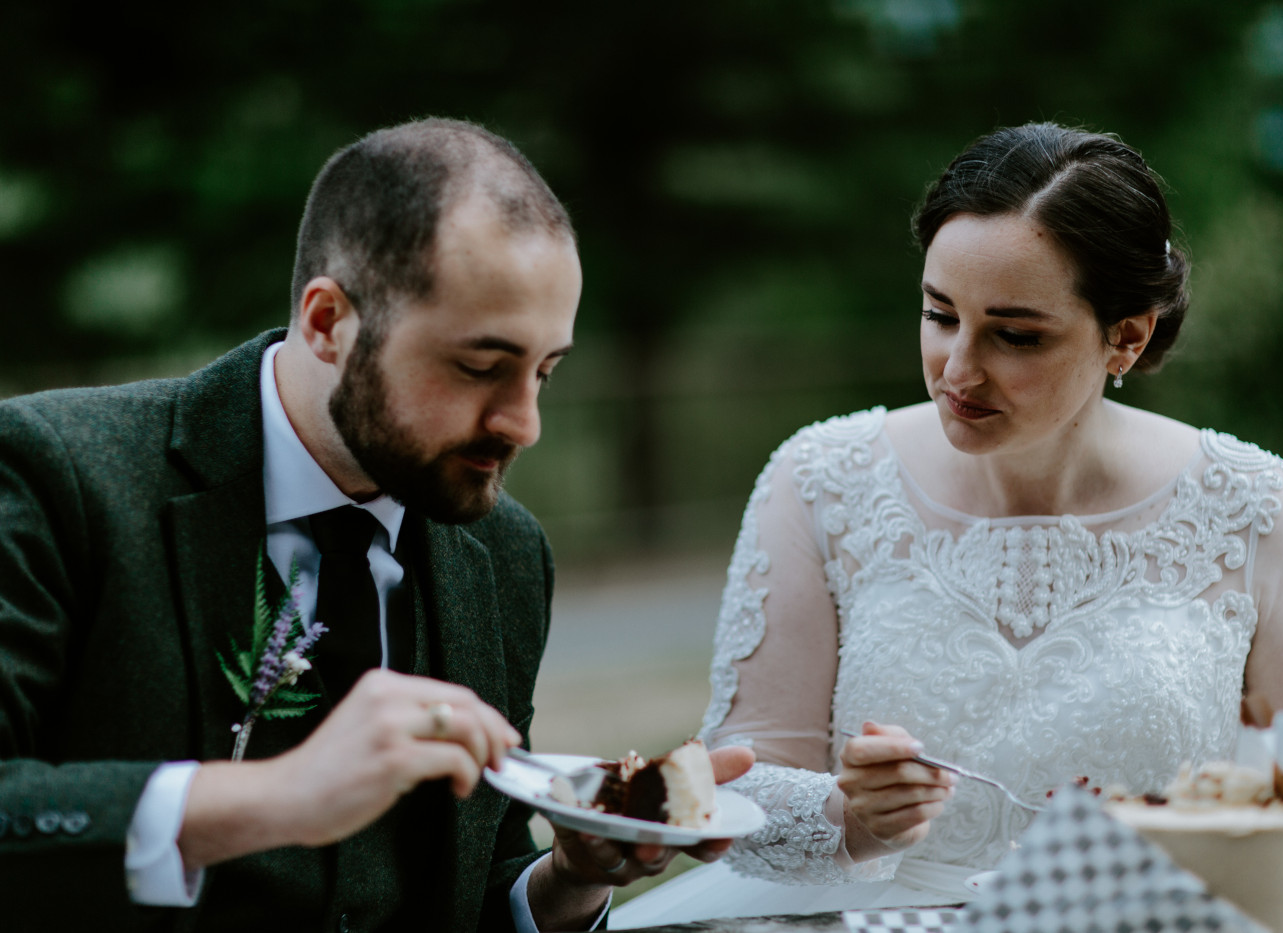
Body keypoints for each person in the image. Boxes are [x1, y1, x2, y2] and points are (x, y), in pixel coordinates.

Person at [612, 122, 1283, 927]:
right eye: (939, 314)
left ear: (1126, 336)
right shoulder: (820, 479)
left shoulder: (1254, 505)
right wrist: (849, 813)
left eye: (1015, 335)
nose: (957, 369)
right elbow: (734, 788)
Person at [0, 117, 750, 932]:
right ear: (328, 323)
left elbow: (473, 890)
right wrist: (271, 796)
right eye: (479, 367)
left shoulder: (504, 551)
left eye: (545, 371)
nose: (525, 421)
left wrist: (570, 878)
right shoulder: (56, 473)